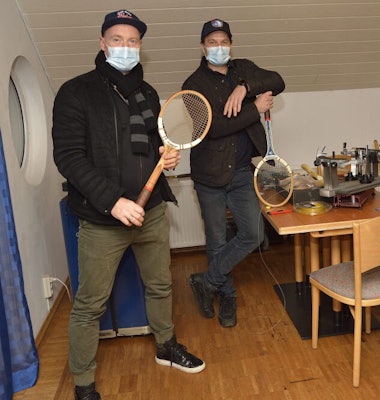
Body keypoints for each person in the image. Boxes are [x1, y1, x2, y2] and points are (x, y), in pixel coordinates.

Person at [52, 10, 205, 400]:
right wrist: (113, 202)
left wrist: (166, 157)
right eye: (117, 39)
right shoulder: (75, 92)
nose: (125, 46)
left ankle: (166, 346)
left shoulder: (147, 93)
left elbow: (153, 145)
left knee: (160, 285)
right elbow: (69, 157)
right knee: (90, 304)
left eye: (133, 40)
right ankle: (84, 384)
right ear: (102, 43)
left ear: (140, 46)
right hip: (103, 219)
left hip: (151, 211)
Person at [182, 19, 285, 328]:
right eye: (212, 43)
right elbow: (214, 128)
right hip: (209, 177)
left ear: (231, 44)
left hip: (242, 173)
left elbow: (277, 80)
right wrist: (255, 108)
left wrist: (245, 88)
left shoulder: (243, 68)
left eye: (224, 41)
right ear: (202, 48)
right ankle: (227, 295)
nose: (219, 47)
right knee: (216, 240)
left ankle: (207, 281)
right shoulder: (192, 85)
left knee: (253, 234)